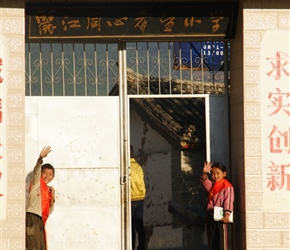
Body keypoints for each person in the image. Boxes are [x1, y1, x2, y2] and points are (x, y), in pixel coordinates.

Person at [26, 146, 55, 250]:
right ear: (41, 174)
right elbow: (37, 169)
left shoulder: (48, 191)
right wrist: (40, 159)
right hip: (32, 218)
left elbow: (49, 211)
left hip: (40, 221)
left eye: (50, 174)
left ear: (53, 177)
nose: (47, 176)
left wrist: (53, 199)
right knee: (32, 247)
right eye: (45, 173)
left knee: (41, 247)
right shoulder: (37, 182)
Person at [200, 161, 234, 250]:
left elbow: (228, 202)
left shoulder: (227, 186)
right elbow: (204, 181)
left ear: (224, 173)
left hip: (222, 218)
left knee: (222, 244)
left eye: (218, 173)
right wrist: (204, 172)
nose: (215, 176)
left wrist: (227, 215)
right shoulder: (212, 185)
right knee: (212, 243)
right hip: (211, 217)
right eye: (213, 174)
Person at [130, 145, 146, 250]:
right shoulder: (138, 166)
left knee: (130, 226)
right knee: (139, 224)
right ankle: (141, 247)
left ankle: (130, 246)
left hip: (131, 198)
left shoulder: (126, 167)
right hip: (140, 197)